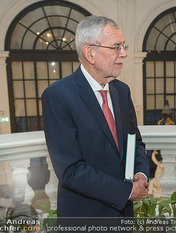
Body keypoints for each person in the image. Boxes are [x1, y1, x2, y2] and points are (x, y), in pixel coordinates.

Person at [41, 15, 149, 218]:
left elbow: (134, 142)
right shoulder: (58, 95)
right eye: (116, 47)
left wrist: (141, 174)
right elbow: (70, 170)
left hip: (123, 216)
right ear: (90, 53)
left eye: (123, 46)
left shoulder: (122, 91)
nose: (124, 53)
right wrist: (125, 191)